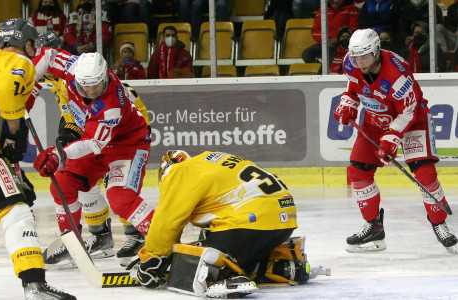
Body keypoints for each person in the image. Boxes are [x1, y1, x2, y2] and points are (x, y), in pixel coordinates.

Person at [0, 18, 76, 299]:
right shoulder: (19, 61)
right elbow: (11, 96)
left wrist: (8, 153)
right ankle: (35, 286)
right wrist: (15, 132)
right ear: (27, 43)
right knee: (17, 211)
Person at [334, 28, 457, 254]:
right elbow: (354, 88)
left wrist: (391, 138)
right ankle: (373, 226)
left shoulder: (397, 74)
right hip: (374, 122)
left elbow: (408, 112)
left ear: (377, 52)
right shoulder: (350, 63)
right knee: (358, 171)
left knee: (425, 174)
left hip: (413, 122)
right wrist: (347, 103)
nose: (360, 62)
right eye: (356, 57)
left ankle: (440, 224)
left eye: (365, 56)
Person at [130, 150, 314, 298]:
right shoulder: (207, 162)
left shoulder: (180, 171)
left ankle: (229, 276)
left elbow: (167, 220)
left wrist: (153, 259)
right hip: (283, 220)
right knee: (226, 244)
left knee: (196, 260)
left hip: (248, 221)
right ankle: (283, 266)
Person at [32, 50, 153, 267]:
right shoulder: (72, 68)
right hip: (97, 142)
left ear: (105, 77)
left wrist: (59, 155)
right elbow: (48, 55)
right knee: (62, 182)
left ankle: (160, 240)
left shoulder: (111, 105)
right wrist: (26, 84)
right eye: (85, 85)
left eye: (96, 85)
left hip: (127, 146)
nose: (90, 90)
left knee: (121, 198)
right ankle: (72, 241)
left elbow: (92, 143)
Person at [302, 0, 360, 64]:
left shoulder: (352, 9)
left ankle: (327, 69)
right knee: (306, 54)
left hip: (341, 44)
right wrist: (324, 40)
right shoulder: (323, 9)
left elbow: (354, 29)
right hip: (324, 42)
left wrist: (338, 39)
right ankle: (321, 68)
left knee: (331, 56)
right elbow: (315, 30)